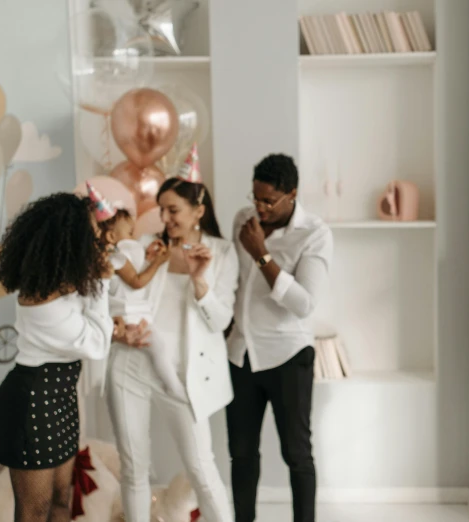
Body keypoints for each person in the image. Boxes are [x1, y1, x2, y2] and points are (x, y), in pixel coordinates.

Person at [107, 145, 238, 522]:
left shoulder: (222, 254)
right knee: (134, 470)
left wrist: (200, 281)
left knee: (201, 468)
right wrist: (119, 332)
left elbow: (220, 321)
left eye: (172, 209)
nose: (163, 217)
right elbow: (116, 299)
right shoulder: (152, 249)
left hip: (183, 377)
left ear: (199, 209)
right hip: (131, 366)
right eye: (161, 209)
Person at [0, 192, 114, 522]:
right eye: (91, 231)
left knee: (62, 498)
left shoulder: (64, 282)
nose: (98, 237)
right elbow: (98, 344)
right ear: (69, 237)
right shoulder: (41, 300)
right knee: (34, 510)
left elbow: (91, 328)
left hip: (59, 397)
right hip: (33, 403)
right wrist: (102, 283)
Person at [226, 153, 333, 522]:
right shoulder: (243, 220)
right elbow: (233, 283)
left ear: (292, 194)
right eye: (255, 198)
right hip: (240, 354)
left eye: (269, 200)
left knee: (297, 455)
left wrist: (262, 255)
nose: (259, 207)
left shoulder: (315, 233)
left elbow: (304, 304)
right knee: (240, 453)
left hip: (288, 356)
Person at [86, 183, 184, 400]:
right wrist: (157, 263)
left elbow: (131, 275)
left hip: (122, 313)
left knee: (156, 347)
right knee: (157, 345)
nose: (133, 237)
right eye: (129, 233)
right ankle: (172, 385)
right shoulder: (117, 258)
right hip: (131, 315)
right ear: (112, 238)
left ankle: (170, 384)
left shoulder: (109, 259)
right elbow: (137, 282)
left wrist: (147, 258)